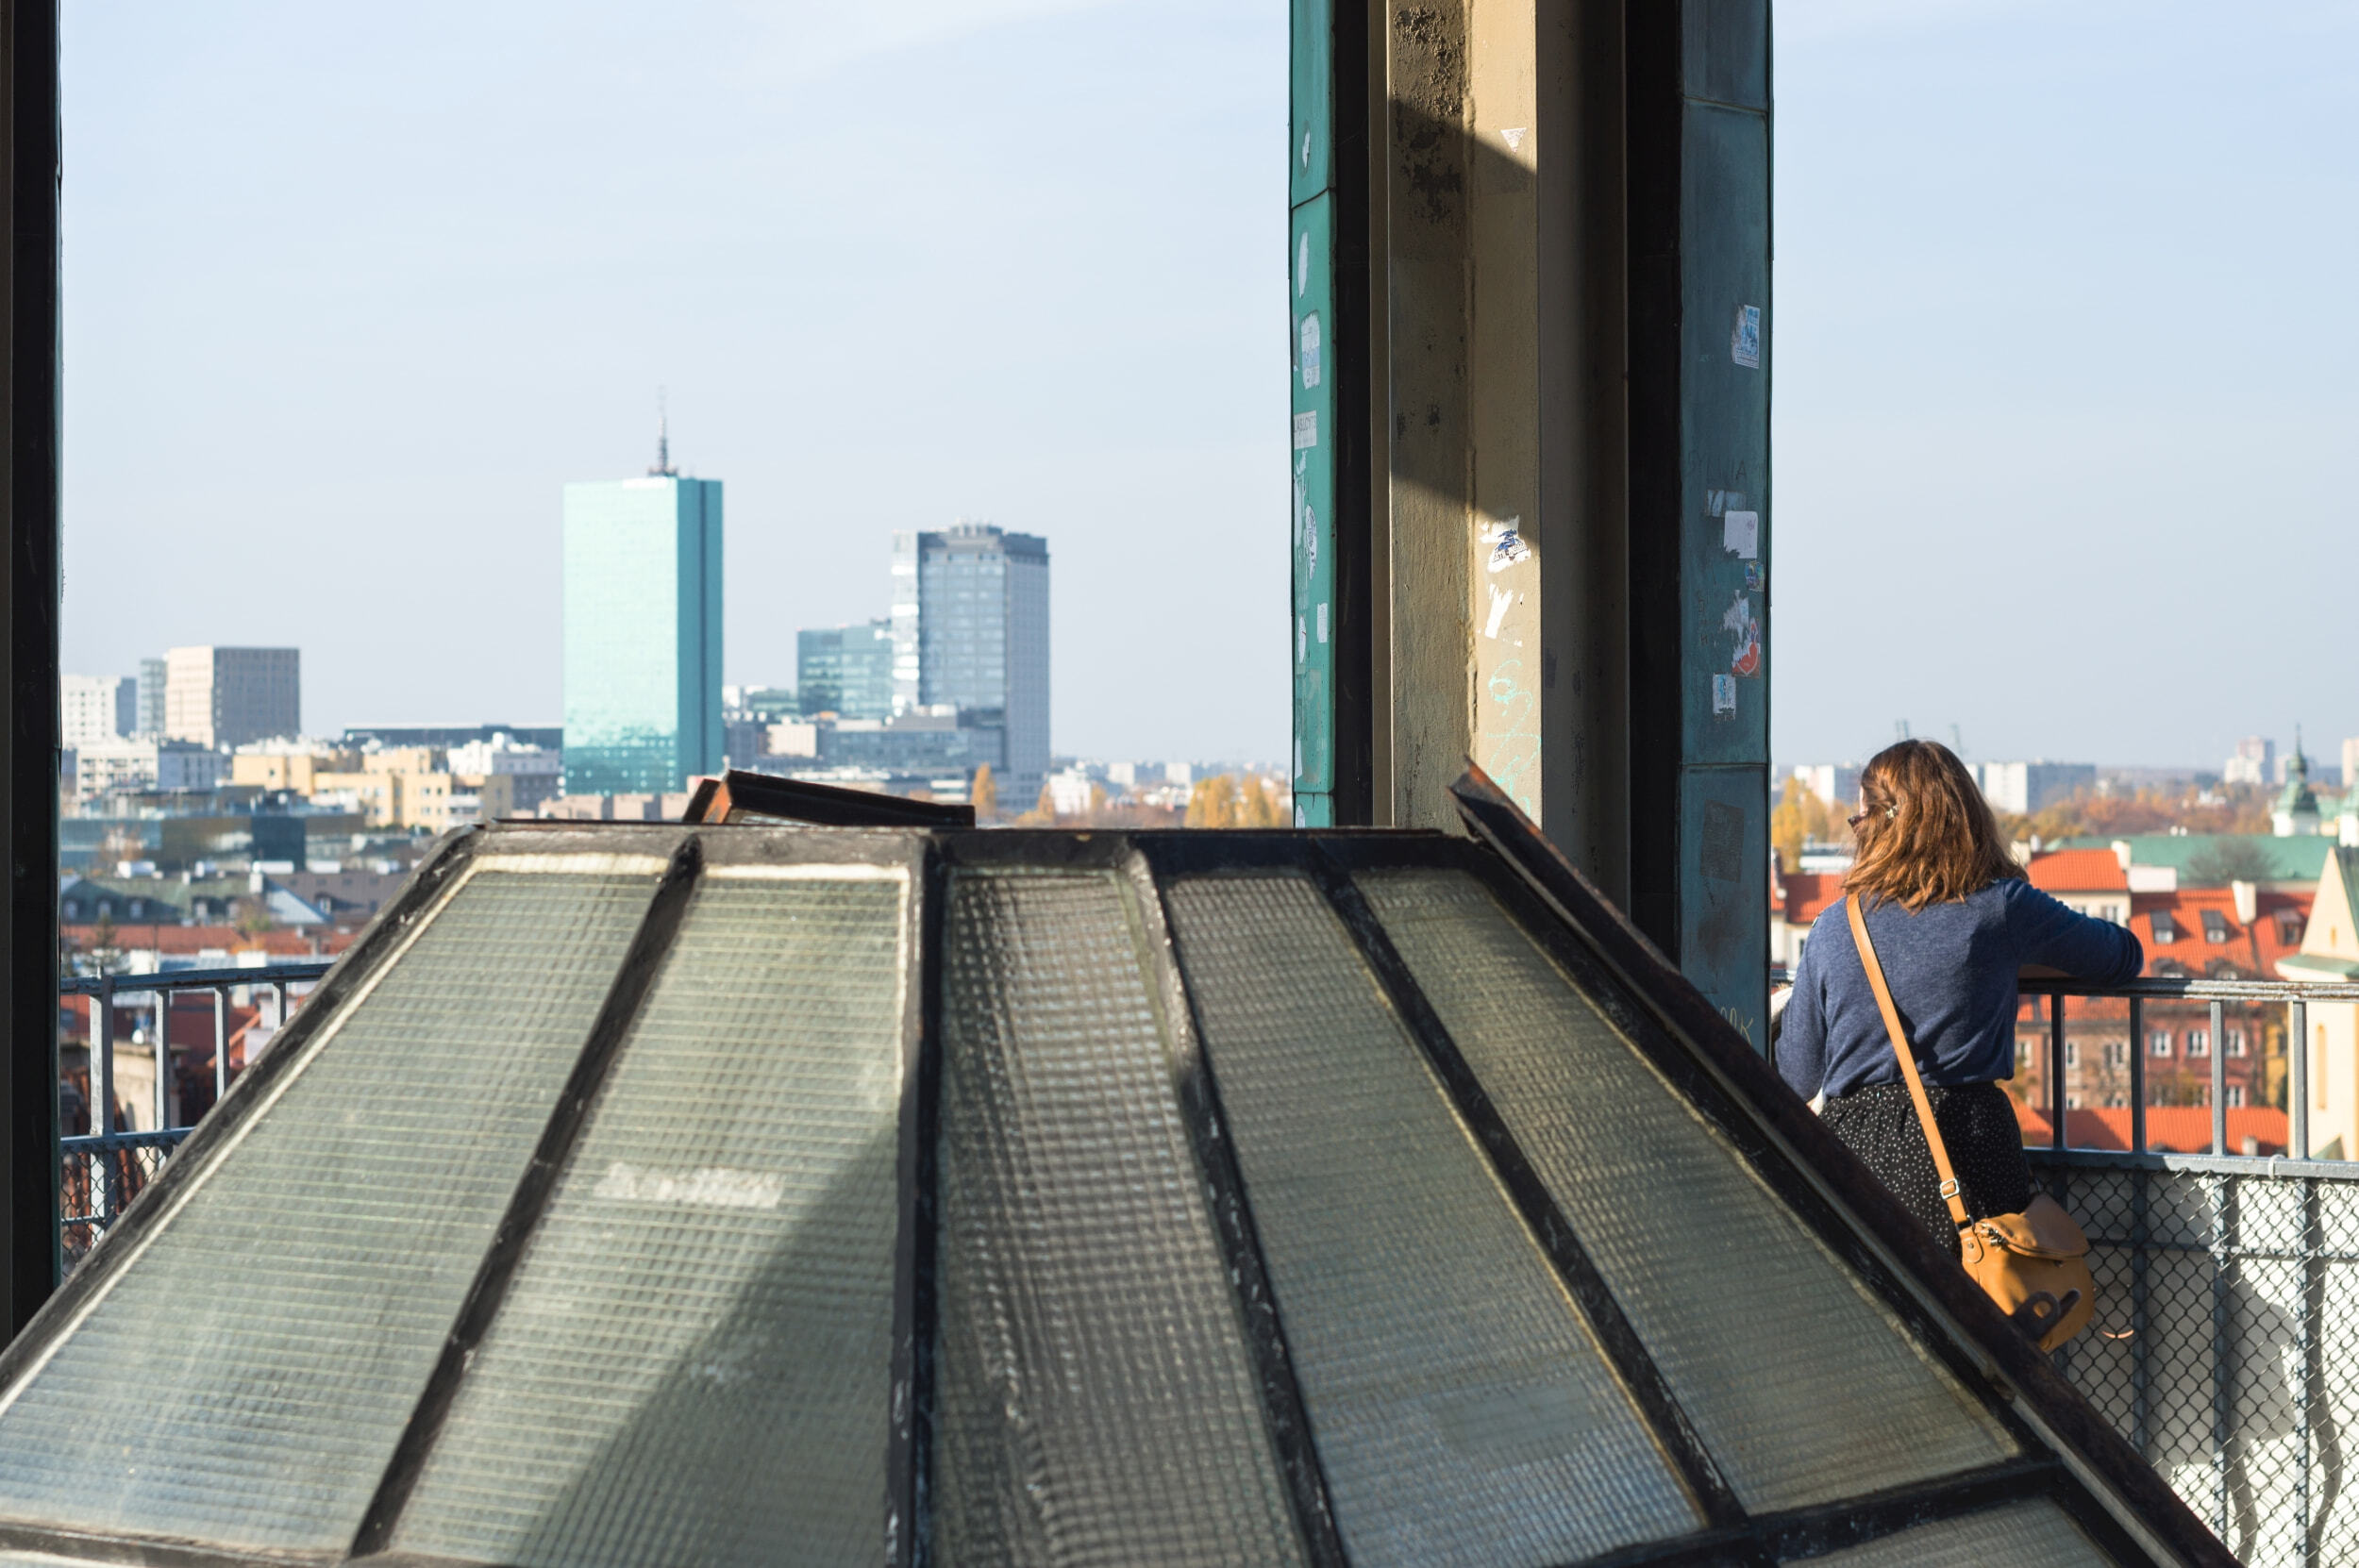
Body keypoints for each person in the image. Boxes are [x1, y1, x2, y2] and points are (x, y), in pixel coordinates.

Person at [1777, 740, 2142, 1257]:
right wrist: (2013, 958)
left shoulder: (1835, 926)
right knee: (1984, 1308)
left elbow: (1796, 1075)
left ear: (1875, 827)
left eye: (1860, 823)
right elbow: (2121, 956)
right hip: (1968, 1144)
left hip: (1850, 1158)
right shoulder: (2000, 910)